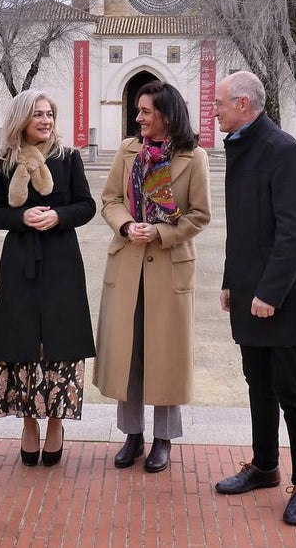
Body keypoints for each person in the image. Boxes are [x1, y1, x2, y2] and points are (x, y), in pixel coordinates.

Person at [211, 71, 296, 526]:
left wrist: (269, 293)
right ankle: (264, 466)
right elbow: (242, 229)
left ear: (243, 104)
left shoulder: (282, 151)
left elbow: (295, 232)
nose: (215, 111)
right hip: (250, 293)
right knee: (258, 384)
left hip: (282, 298)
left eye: (220, 103)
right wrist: (231, 281)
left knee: (291, 390)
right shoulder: (242, 148)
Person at [94, 80, 211, 473]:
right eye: (138, 110)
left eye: (146, 111)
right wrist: (128, 225)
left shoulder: (194, 157)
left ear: (166, 115)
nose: (139, 117)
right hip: (127, 262)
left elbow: (200, 215)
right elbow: (110, 199)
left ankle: (163, 439)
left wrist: (160, 232)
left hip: (169, 265)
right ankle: (133, 434)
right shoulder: (128, 151)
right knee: (128, 352)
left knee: (166, 355)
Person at [0, 90, 97, 467]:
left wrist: (58, 216)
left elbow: (87, 205)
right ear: (21, 120)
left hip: (62, 261)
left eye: (49, 114)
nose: (46, 120)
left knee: (60, 342)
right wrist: (22, 218)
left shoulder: (68, 157)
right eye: (38, 115)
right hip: (20, 262)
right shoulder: (1, 162)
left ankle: (56, 423)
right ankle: (29, 423)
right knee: (21, 341)